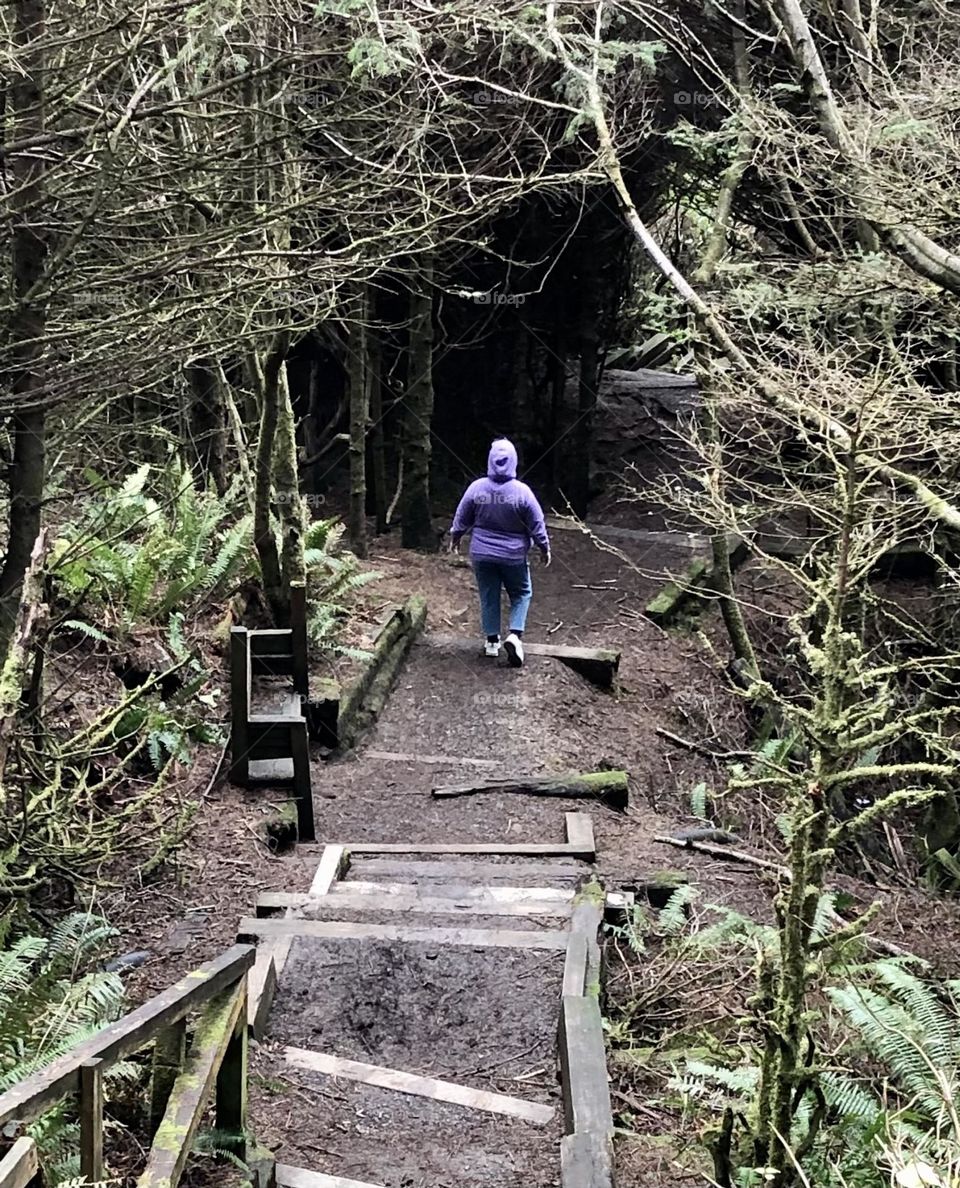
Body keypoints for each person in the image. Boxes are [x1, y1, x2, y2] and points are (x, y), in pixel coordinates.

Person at [449, 438, 551, 668]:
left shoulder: (477, 488)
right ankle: (515, 635)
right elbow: (537, 524)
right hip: (513, 555)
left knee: (488, 594)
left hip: (482, 554)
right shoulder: (522, 492)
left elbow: (461, 517)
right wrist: (544, 547)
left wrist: (455, 538)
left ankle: (492, 642)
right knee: (522, 592)